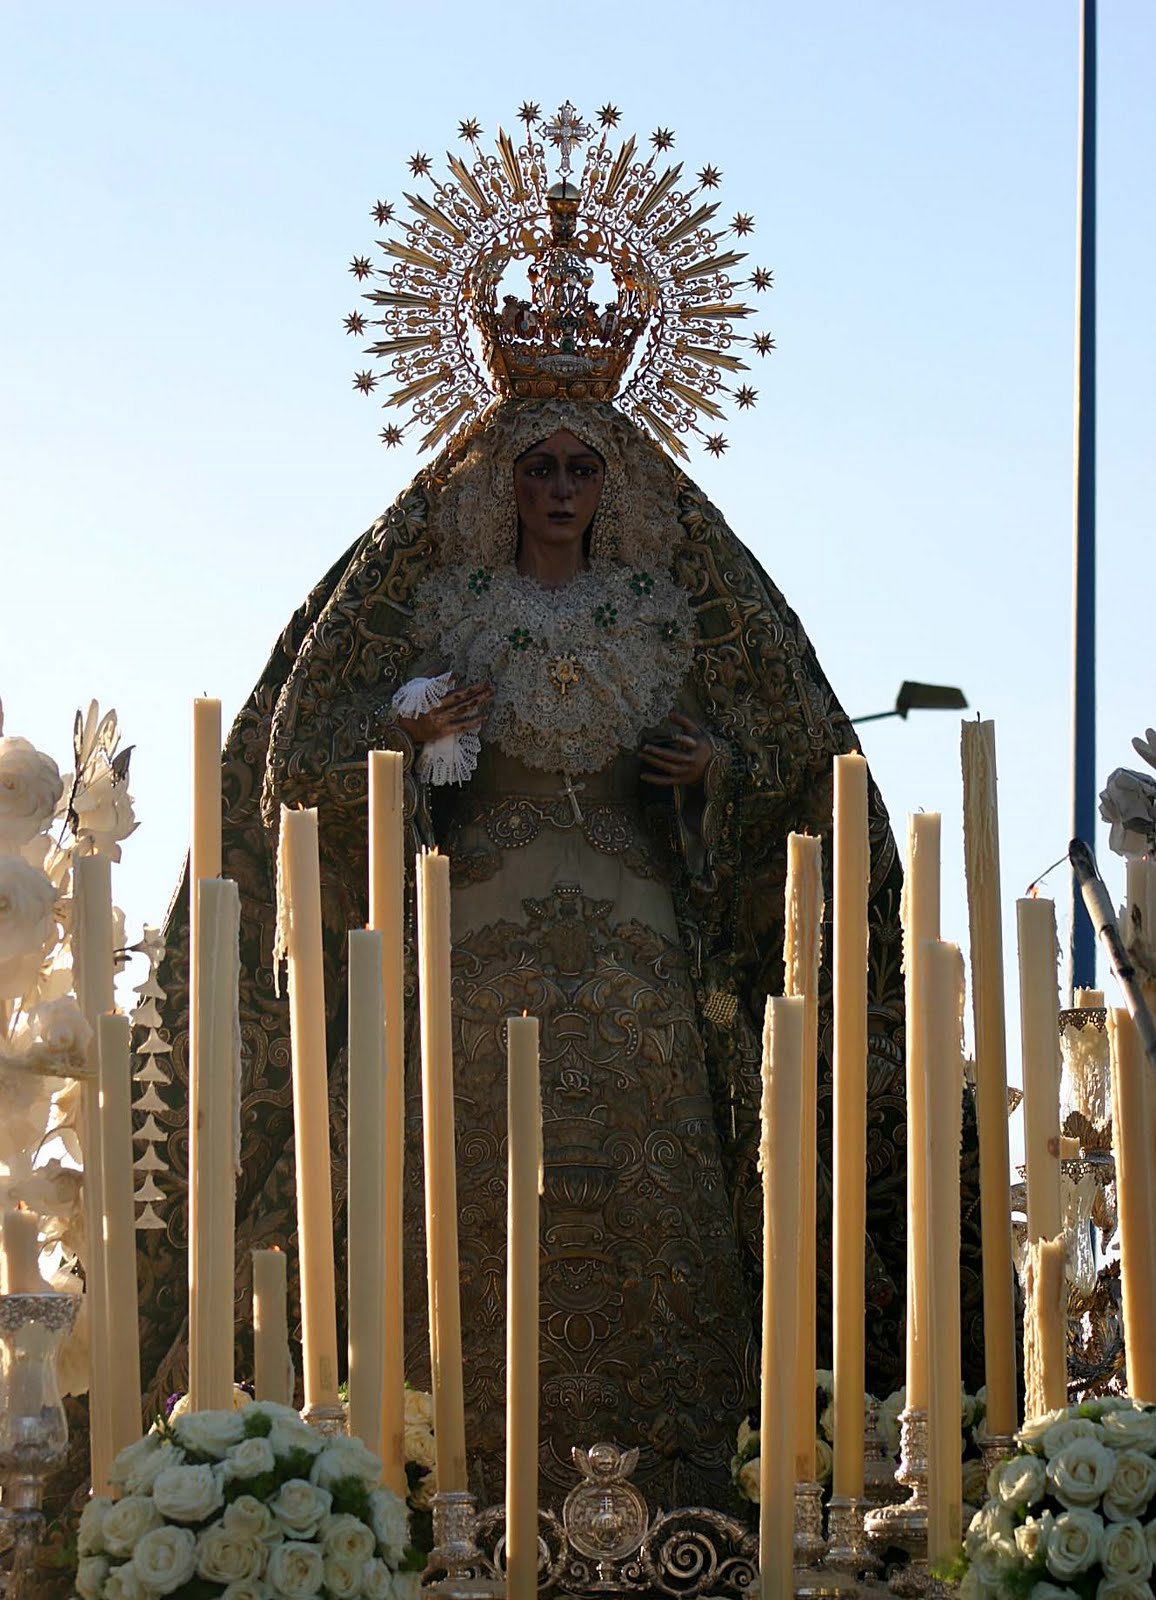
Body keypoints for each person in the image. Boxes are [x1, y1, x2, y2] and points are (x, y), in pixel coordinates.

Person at [101, 107, 987, 1520]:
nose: (562, 490)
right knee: (450, 1193)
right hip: (470, 949)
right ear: (499, 479)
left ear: (613, 480)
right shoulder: (436, 603)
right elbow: (298, 768)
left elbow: (799, 763)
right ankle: (440, 1492)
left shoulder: (674, 607)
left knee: (656, 1194)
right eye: (539, 467)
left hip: (638, 959)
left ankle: (692, 1500)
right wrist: (408, 744)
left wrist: (712, 775)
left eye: (582, 468)